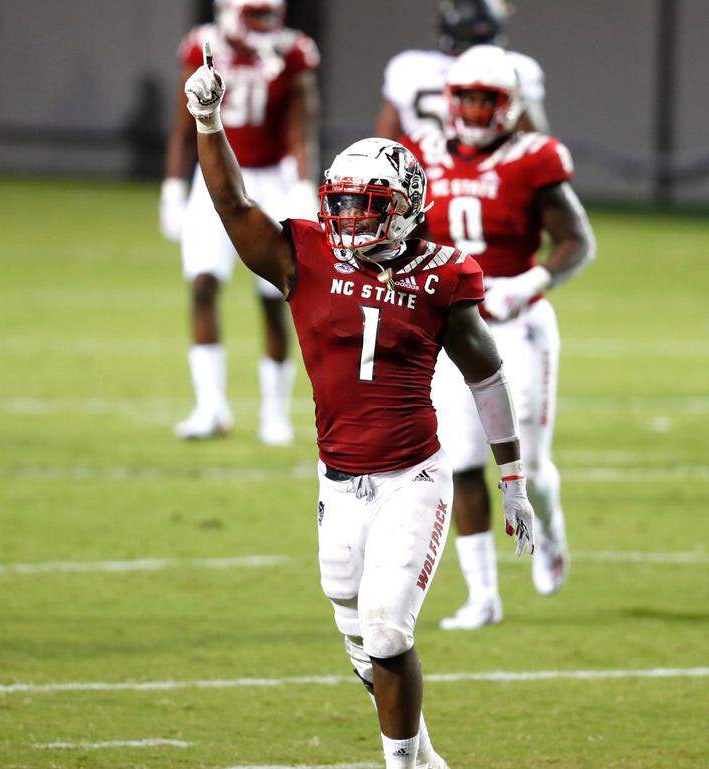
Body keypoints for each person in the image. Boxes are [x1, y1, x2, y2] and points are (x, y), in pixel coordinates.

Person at [185, 41, 537, 769]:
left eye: (368, 205)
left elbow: (486, 375)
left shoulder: (441, 276)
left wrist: (513, 479)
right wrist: (207, 120)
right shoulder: (304, 255)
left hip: (413, 476)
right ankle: (425, 755)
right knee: (356, 633)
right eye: (341, 203)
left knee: (385, 632)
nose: (350, 218)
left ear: (406, 208)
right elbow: (232, 203)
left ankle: (400, 762)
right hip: (337, 479)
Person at [402, 45, 595, 629]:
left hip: (518, 324)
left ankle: (551, 532)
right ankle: (483, 595)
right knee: (459, 459)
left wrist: (531, 281)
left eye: (488, 99)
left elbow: (576, 242)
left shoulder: (534, 158)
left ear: (509, 104)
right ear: (449, 100)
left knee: (528, 465)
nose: (476, 110)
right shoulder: (421, 155)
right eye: (467, 98)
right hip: (454, 326)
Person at [160, 0, 319, 443]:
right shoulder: (202, 47)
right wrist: (173, 187)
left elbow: (302, 125)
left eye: (270, 14)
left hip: (272, 181)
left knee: (274, 297)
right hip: (212, 176)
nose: (267, 25)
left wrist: (303, 184)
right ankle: (210, 407)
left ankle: (275, 413)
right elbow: (181, 125)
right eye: (256, 14)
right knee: (202, 285)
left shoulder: (293, 52)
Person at [373, 0, 547, 140]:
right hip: (488, 173)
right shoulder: (516, 67)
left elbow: (384, 140)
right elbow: (535, 139)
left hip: (421, 171)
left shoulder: (409, 66)